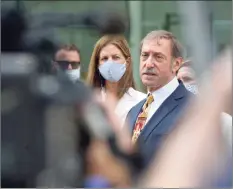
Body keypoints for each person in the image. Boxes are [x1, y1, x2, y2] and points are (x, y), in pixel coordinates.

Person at [126, 30, 192, 168]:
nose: (149, 64)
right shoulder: (133, 111)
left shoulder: (193, 108)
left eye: (158, 57)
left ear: (176, 64)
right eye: (145, 56)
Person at [86, 34, 146, 125]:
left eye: (116, 57)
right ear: (97, 65)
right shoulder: (88, 102)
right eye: (104, 58)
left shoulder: (142, 102)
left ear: (127, 62)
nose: (110, 63)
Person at [177, 59, 232, 148]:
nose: (182, 85)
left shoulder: (225, 123)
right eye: (178, 81)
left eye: (187, 79)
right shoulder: (172, 123)